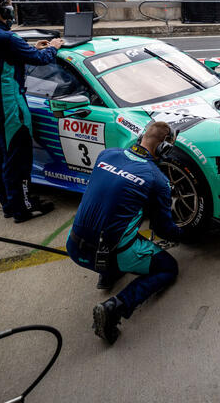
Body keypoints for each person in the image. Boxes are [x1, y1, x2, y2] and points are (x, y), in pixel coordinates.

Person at [66, 121, 182, 345]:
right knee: (168, 268)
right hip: (110, 254)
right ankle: (115, 307)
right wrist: (186, 233)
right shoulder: (157, 179)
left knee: (115, 215)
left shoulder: (107, 154)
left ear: (141, 137)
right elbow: (163, 229)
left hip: (73, 245)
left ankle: (107, 274)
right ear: (163, 149)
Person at [0, 0, 63, 223]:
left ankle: (9, 205)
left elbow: (1, 56)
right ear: (4, 11)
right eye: (9, 8)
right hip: (8, 104)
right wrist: (54, 46)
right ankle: (23, 208)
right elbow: (41, 60)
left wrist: (27, 48)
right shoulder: (6, 38)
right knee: (17, 159)